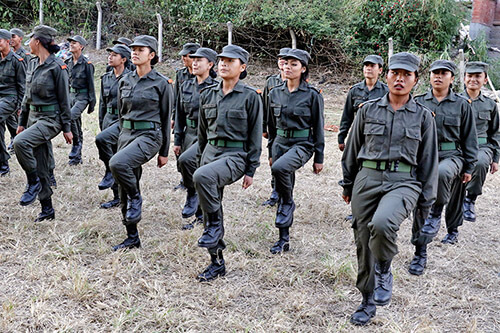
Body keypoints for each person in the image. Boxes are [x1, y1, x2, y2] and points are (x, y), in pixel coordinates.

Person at [341, 52, 439, 325]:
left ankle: (384, 268)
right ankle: (367, 299)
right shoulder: (368, 110)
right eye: (395, 73)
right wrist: (348, 183)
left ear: (415, 80)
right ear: (387, 76)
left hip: (404, 181)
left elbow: (429, 161)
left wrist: (426, 202)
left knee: (383, 225)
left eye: (407, 75)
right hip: (367, 177)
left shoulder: (423, 117)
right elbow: (352, 150)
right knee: (363, 240)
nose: (400, 79)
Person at [194, 44, 262, 281]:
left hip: (234, 156)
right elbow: (202, 134)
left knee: (205, 183)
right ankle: (217, 262)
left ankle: (213, 227)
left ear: (242, 67)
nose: (223, 64)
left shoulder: (251, 97)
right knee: (210, 206)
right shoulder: (208, 94)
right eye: (221, 60)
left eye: (230, 61)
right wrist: (201, 160)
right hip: (210, 154)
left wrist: (251, 169)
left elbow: (255, 136)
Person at [410, 60, 478, 276]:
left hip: (451, 155)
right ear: (429, 76)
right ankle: (420, 251)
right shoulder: (418, 102)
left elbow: (470, 138)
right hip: (423, 156)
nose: (438, 76)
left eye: (443, 73)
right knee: (419, 201)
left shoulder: (461, 104)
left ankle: (437, 212)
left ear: (451, 78)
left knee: (441, 174)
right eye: (434, 73)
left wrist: (469, 167)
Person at [109, 35, 173, 251]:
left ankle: (137, 198)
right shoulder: (125, 81)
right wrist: (121, 137)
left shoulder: (162, 83)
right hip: (126, 134)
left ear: (152, 55)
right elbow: (121, 115)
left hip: (149, 136)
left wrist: (164, 151)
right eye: (133, 49)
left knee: (118, 164)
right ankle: (132, 236)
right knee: (124, 183)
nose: (135, 52)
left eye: (140, 50)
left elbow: (166, 119)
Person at [266, 49, 325, 254]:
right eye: (286, 64)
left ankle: (288, 202)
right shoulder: (274, 92)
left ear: (303, 69)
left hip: (302, 144)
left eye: (294, 64)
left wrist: (319, 157)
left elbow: (318, 127)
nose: (288, 68)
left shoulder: (312, 95)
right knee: (283, 180)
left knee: (282, 170)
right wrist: (271, 152)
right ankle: (283, 239)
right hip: (280, 143)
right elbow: (271, 127)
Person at [13, 25, 73, 222]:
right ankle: (47, 209)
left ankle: (33, 182)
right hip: (33, 119)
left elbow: (65, 101)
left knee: (20, 143)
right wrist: (22, 123)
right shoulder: (31, 63)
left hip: (50, 120)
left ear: (37, 41)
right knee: (41, 163)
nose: (28, 43)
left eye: (30, 39)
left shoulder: (58, 67)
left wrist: (67, 128)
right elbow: (26, 98)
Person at [338, 55, 388, 221]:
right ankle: (357, 210)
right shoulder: (355, 91)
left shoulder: (386, 91)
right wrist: (341, 137)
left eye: (372, 66)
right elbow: (346, 116)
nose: (368, 68)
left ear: (380, 70)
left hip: (377, 139)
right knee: (354, 171)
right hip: (358, 137)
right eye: (366, 65)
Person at [173, 47, 218, 230]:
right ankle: (199, 216)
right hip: (189, 133)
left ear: (210, 65)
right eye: (194, 59)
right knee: (187, 165)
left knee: (190, 164)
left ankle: (192, 194)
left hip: (206, 136)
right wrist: (177, 140)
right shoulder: (186, 85)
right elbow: (180, 115)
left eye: (200, 60)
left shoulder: (216, 88)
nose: (195, 62)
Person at [461, 62, 500, 222]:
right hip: (459, 144)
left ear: (485, 80)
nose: (473, 80)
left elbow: (496, 132)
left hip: (481, 145)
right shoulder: (456, 101)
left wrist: (496, 159)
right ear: (464, 78)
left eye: (478, 76)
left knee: (481, 161)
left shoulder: (490, 105)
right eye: (470, 76)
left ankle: (470, 199)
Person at [95, 44, 131, 209]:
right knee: (109, 153)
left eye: (114, 55)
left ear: (123, 59)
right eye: (109, 54)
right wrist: (102, 123)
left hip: (122, 119)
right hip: (109, 119)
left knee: (120, 160)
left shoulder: (130, 78)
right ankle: (117, 197)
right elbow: (102, 104)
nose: (110, 57)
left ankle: (127, 196)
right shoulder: (106, 78)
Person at [261, 47, 290, 207]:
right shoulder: (271, 81)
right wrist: (264, 127)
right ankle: (275, 192)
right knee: (273, 159)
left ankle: (284, 194)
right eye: (279, 58)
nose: (281, 61)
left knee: (284, 164)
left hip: (290, 130)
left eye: (285, 59)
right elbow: (265, 106)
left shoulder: (298, 81)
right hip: (274, 128)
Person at [173, 42, 200, 190]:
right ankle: (184, 178)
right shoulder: (180, 75)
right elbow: (176, 98)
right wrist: (173, 117)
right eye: (182, 56)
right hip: (183, 115)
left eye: (187, 56)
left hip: (197, 120)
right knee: (180, 147)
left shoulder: (205, 75)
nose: (184, 58)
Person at [65, 35, 96, 165]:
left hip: (82, 97)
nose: (71, 45)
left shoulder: (87, 64)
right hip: (71, 96)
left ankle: (76, 145)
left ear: (81, 46)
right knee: (76, 122)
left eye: (74, 43)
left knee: (71, 116)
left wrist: (91, 104)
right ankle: (77, 157)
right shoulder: (67, 63)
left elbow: (91, 85)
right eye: (70, 43)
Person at [0, 29, 26, 176]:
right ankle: (3, 166)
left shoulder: (17, 61)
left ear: (8, 41)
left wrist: (21, 107)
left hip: (10, 98)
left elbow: (22, 86)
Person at [5, 28, 30, 153]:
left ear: (20, 38)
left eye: (13, 37)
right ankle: (14, 139)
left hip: (18, 93)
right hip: (8, 93)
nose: (11, 40)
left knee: (20, 120)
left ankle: (20, 141)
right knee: (10, 118)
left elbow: (26, 78)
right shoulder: (5, 54)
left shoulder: (24, 56)